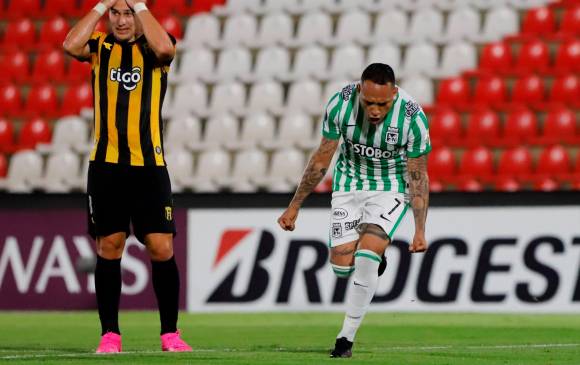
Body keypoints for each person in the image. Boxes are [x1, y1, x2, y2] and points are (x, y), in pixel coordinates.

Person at [63, 0, 192, 353]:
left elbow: (167, 48)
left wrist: (138, 4)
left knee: (161, 247)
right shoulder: (100, 47)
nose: (121, 21)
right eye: (115, 13)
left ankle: (170, 334)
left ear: (139, 13)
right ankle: (110, 335)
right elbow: (70, 45)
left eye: (127, 13)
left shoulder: (154, 46)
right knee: (109, 247)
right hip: (106, 168)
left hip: (150, 167)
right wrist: (100, 5)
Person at [278, 63, 431, 358]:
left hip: (390, 188)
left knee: (366, 255)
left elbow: (417, 176)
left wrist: (419, 229)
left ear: (394, 94)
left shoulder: (413, 118)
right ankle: (375, 259)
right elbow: (322, 159)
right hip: (348, 185)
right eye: (369, 102)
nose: (375, 110)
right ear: (360, 91)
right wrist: (294, 206)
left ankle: (345, 339)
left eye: (383, 104)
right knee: (340, 268)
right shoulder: (340, 104)